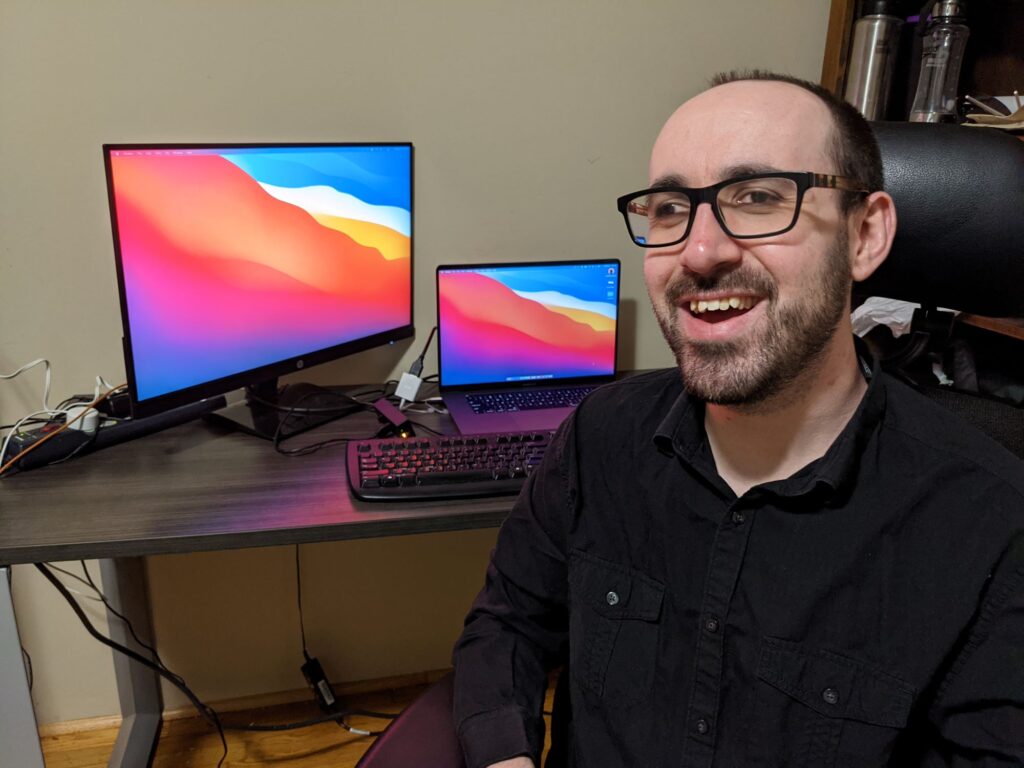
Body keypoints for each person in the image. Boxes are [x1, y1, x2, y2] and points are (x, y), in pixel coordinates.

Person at [451, 71, 1024, 768]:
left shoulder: (993, 528)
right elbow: (505, 625)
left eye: (757, 198)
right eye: (668, 208)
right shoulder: (601, 434)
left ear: (865, 234)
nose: (700, 251)